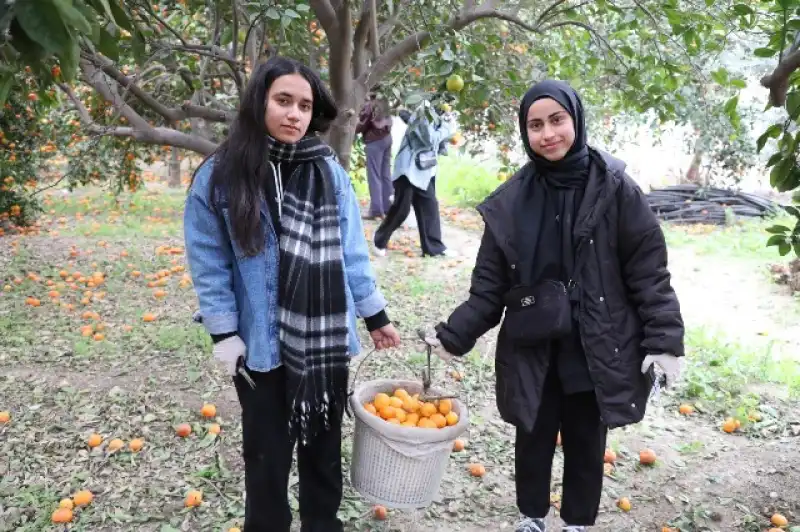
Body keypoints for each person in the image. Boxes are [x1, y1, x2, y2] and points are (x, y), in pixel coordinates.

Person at [427, 80, 685, 532]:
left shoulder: (616, 189)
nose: (548, 134)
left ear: (576, 119)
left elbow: (648, 271)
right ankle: (531, 518)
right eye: (535, 125)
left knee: (587, 442)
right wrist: (455, 335)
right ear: (525, 132)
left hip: (595, 343)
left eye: (557, 120)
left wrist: (664, 340)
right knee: (532, 437)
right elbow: (488, 285)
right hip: (533, 345)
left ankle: (577, 523)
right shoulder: (511, 202)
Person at [183, 56, 401, 532]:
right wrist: (223, 333)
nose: (295, 115)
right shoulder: (220, 175)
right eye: (283, 101)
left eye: (304, 105)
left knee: (323, 456)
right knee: (267, 457)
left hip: (323, 345)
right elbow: (209, 261)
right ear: (259, 101)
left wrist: (376, 315)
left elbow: (352, 254)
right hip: (259, 346)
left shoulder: (328, 172)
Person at [373, 102, 457, 257]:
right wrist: (448, 128)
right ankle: (379, 240)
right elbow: (429, 139)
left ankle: (434, 248)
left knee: (429, 207)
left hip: (426, 169)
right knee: (401, 209)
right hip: (409, 169)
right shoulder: (423, 112)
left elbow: (442, 143)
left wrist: (447, 128)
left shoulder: (442, 113)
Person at [356, 89, 393, 220]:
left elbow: (361, 124)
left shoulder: (369, 105)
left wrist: (350, 129)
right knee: (385, 174)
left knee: (374, 175)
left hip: (374, 141)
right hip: (387, 138)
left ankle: (376, 211)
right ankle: (389, 208)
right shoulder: (384, 101)